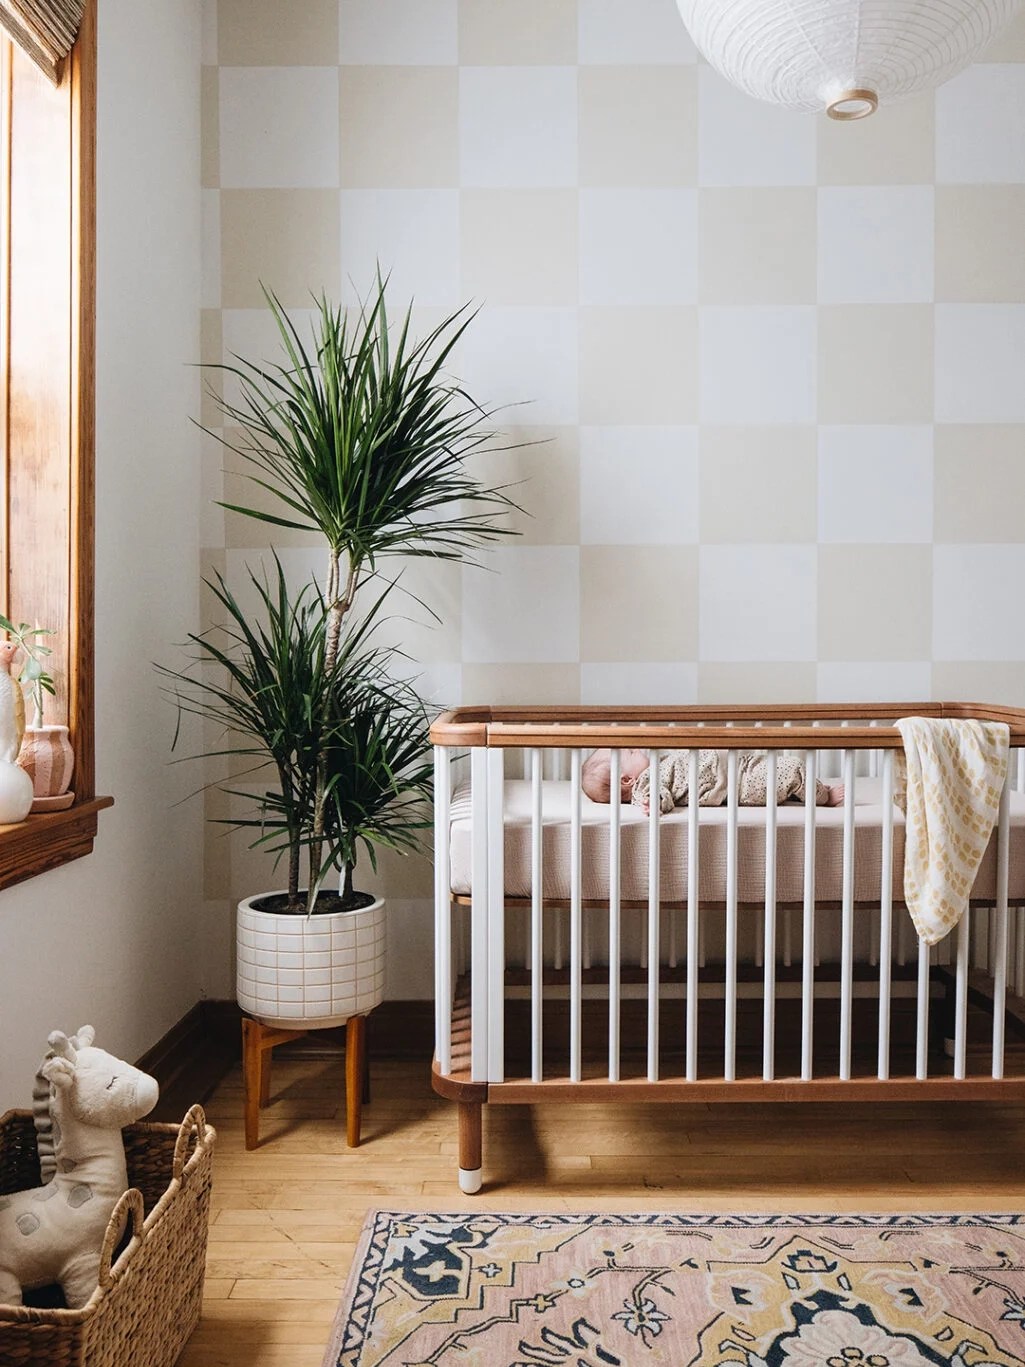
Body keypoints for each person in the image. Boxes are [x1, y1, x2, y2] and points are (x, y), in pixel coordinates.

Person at [580, 747, 844, 813]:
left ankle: (801, 791)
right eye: (630, 752)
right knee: (793, 768)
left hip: (738, 767)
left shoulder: (659, 762)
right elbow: (660, 796)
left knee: (779, 767)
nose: (636, 749)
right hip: (739, 785)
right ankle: (824, 797)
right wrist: (652, 803)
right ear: (627, 780)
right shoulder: (645, 783)